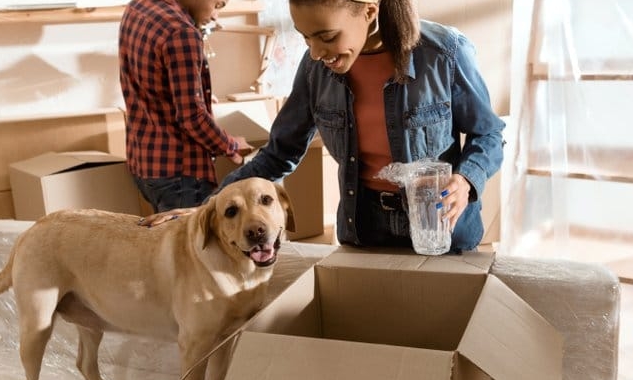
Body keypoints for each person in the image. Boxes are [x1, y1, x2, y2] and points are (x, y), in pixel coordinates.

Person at [144, 0, 505, 253]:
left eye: (327, 36)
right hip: (365, 228)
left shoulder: (443, 53)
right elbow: (278, 155)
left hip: (442, 228)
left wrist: (465, 180)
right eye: (306, 37)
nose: (316, 52)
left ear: (369, 11)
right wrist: (206, 208)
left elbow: (488, 134)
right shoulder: (316, 70)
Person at [119, 0, 251, 212]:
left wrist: (193, 91)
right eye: (218, 4)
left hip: (144, 164)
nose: (216, 16)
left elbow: (149, 80)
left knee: (167, 242)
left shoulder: (138, 6)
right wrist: (231, 146)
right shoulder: (181, 32)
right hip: (180, 175)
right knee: (191, 245)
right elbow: (192, 117)